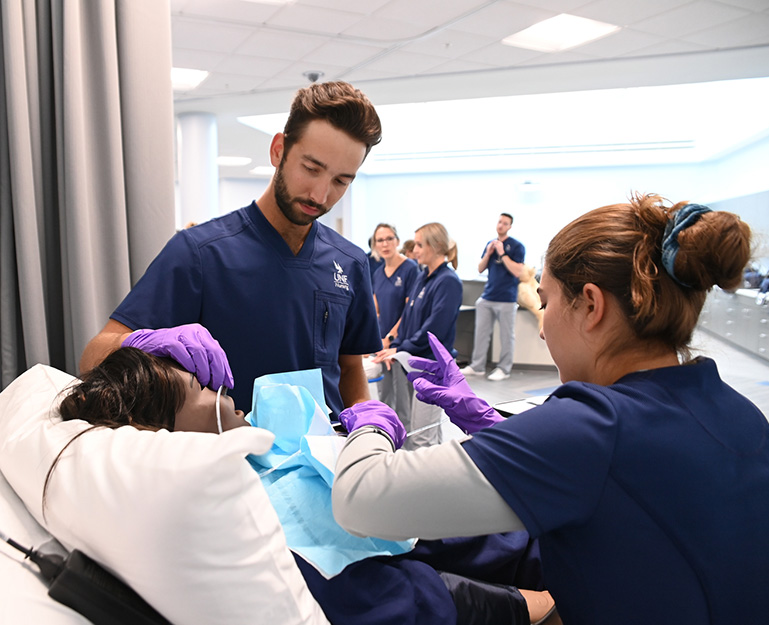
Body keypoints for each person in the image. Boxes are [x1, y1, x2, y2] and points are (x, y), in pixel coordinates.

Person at [332, 195, 769, 624]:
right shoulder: (741, 413)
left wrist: (370, 418)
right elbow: (615, 487)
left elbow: (358, 500)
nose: (544, 330)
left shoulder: (596, 425)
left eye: (546, 302)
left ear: (591, 305)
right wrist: (486, 422)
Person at [53, 347, 555, 625]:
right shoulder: (254, 516)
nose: (216, 384)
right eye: (199, 386)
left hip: (512, 528)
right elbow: (406, 597)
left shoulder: (263, 450)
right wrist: (545, 604)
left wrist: (488, 426)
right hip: (520, 565)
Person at [79, 81, 384, 416]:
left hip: (323, 459)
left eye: (341, 181)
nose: (320, 195)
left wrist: (369, 425)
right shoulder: (199, 253)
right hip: (228, 455)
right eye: (311, 169)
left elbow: (350, 369)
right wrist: (142, 343)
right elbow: (92, 358)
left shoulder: (350, 263)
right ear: (278, 150)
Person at [373, 223, 462, 449]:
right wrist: (397, 345)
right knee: (427, 430)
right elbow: (410, 320)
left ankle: (426, 482)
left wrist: (403, 348)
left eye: (421, 245)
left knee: (422, 437)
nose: (415, 250)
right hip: (415, 362)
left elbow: (434, 330)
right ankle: (438, 477)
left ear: (437, 246)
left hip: (433, 366)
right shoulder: (424, 277)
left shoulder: (448, 281)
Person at [462, 213, 525, 381]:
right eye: (500, 222)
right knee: (481, 333)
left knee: (506, 336)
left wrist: (502, 254)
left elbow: (518, 271)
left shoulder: (517, 246)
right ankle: (477, 366)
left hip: (507, 299)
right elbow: (480, 269)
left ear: (510, 226)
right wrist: (489, 253)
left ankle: (504, 369)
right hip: (487, 297)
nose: (501, 225)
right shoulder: (490, 244)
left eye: (505, 223)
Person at [371, 223, 419, 348]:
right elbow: (375, 312)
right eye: (380, 240)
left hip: (401, 341)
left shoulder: (410, 269)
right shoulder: (378, 274)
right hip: (381, 340)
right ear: (375, 245)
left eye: (389, 239)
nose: (385, 244)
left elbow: (410, 310)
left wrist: (391, 337)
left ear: (397, 241)